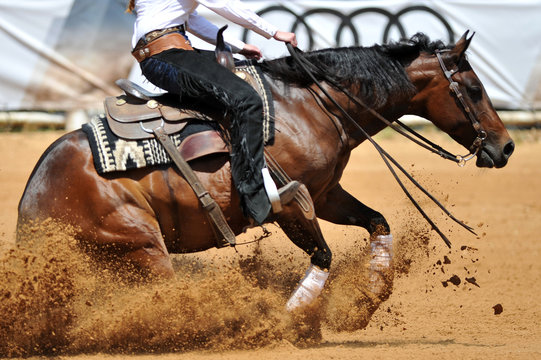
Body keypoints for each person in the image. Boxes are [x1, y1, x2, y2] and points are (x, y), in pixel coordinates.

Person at [126, 0, 300, 225]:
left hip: (163, 53)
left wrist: (237, 46)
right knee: (247, 101)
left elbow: (192, 19)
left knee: (245, 72)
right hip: (167, 55)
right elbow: (224, 4)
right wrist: (274, 32)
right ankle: (254, 197)